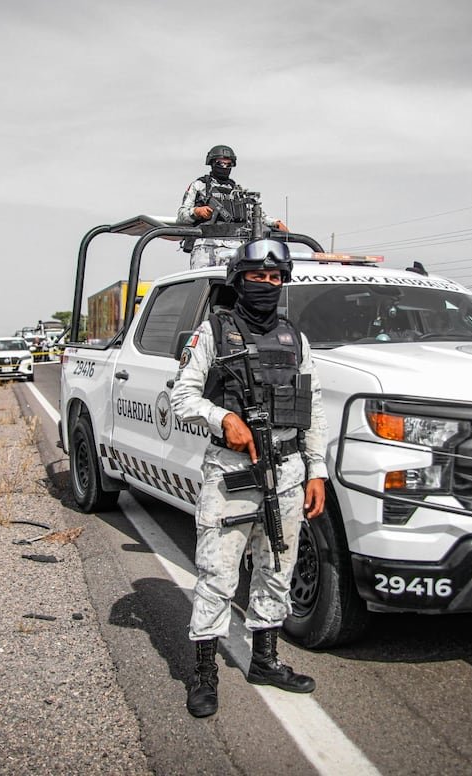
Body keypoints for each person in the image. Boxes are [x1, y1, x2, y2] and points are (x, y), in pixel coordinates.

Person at [170, 237, 328, 718]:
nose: (266, 285)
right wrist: (223, 419)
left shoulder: (292, 338)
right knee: (218, 574)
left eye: (274, 277)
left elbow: (314, 407)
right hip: (232, 472)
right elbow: (183, 396)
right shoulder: (212, 332)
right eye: (256, 277)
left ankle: (265, 659)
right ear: (239, 281)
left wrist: (316, 471)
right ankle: (203, 673)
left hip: (287, 470)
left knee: (277, 567)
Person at [176, 145, 288, 269]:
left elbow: (254, 214)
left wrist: (275, 223)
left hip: (234, 246)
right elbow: (181, 215)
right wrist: (196, 211)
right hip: (206, 245)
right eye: (220, 163)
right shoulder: (199, 186)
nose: (224, 167)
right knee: (203, 283)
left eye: (228, 164)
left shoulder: (237, 190)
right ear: (212, 163)